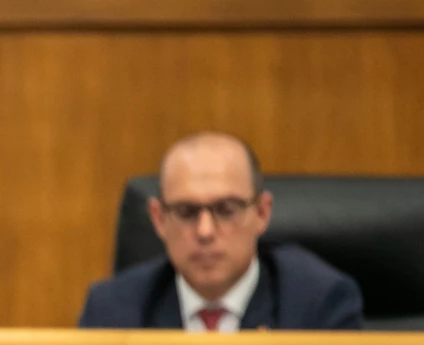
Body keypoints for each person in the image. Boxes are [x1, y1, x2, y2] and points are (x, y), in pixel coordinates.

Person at [79, 132, 362, 331]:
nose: (205, 231)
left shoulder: (318, 304)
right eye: (186, 212)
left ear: (262, 213)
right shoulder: (112, 311)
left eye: (226, 210)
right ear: (159, 219)